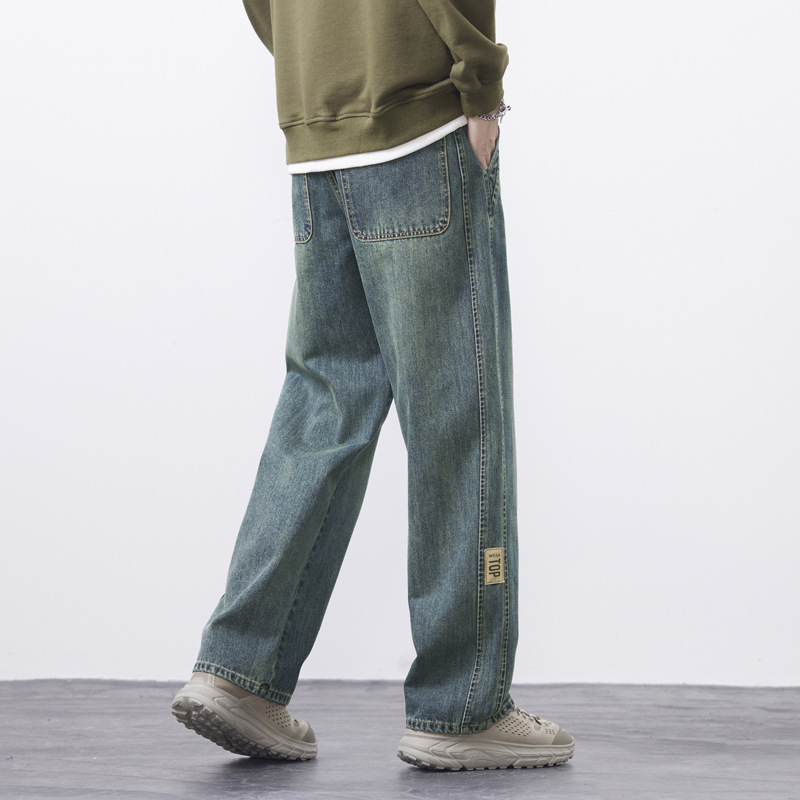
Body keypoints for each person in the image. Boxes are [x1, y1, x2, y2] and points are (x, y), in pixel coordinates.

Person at [171, 0, 575, 771]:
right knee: (460, 418)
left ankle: (238, 672)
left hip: (316, 129)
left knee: (326, 405)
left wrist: (316, 65)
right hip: (417, 118)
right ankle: (463, 707)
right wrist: (481, 87)